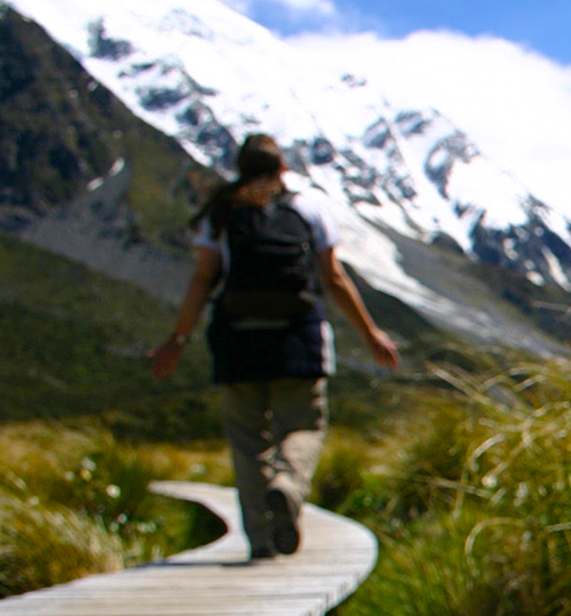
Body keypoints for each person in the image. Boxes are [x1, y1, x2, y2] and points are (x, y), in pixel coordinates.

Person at [150, 133, 400, 560]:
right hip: (298, 336)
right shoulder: (308, 209)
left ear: (240, 168)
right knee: (303, 425)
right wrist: (370, 333)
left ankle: (261, 542)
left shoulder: (223, 214)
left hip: (237, 338)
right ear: (282, 169)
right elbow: (333, 278)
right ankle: (288, 485)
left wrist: (177, 339)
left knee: (248, 440)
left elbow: (203, 279)